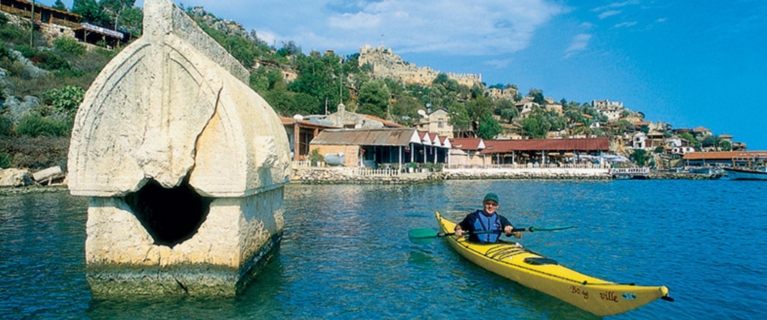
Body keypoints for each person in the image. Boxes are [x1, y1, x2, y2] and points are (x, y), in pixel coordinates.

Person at [454, 193, 522, 243]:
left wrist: (513, 232)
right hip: (476, 245)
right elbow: (458, 226)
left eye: (493, 204)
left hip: (493, 247)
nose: (490, 206)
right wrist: (459, 230)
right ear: (483, 203)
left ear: (497, 206)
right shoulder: (473, 217)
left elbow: (519, 236)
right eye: (488, 203)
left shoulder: (500, 219)